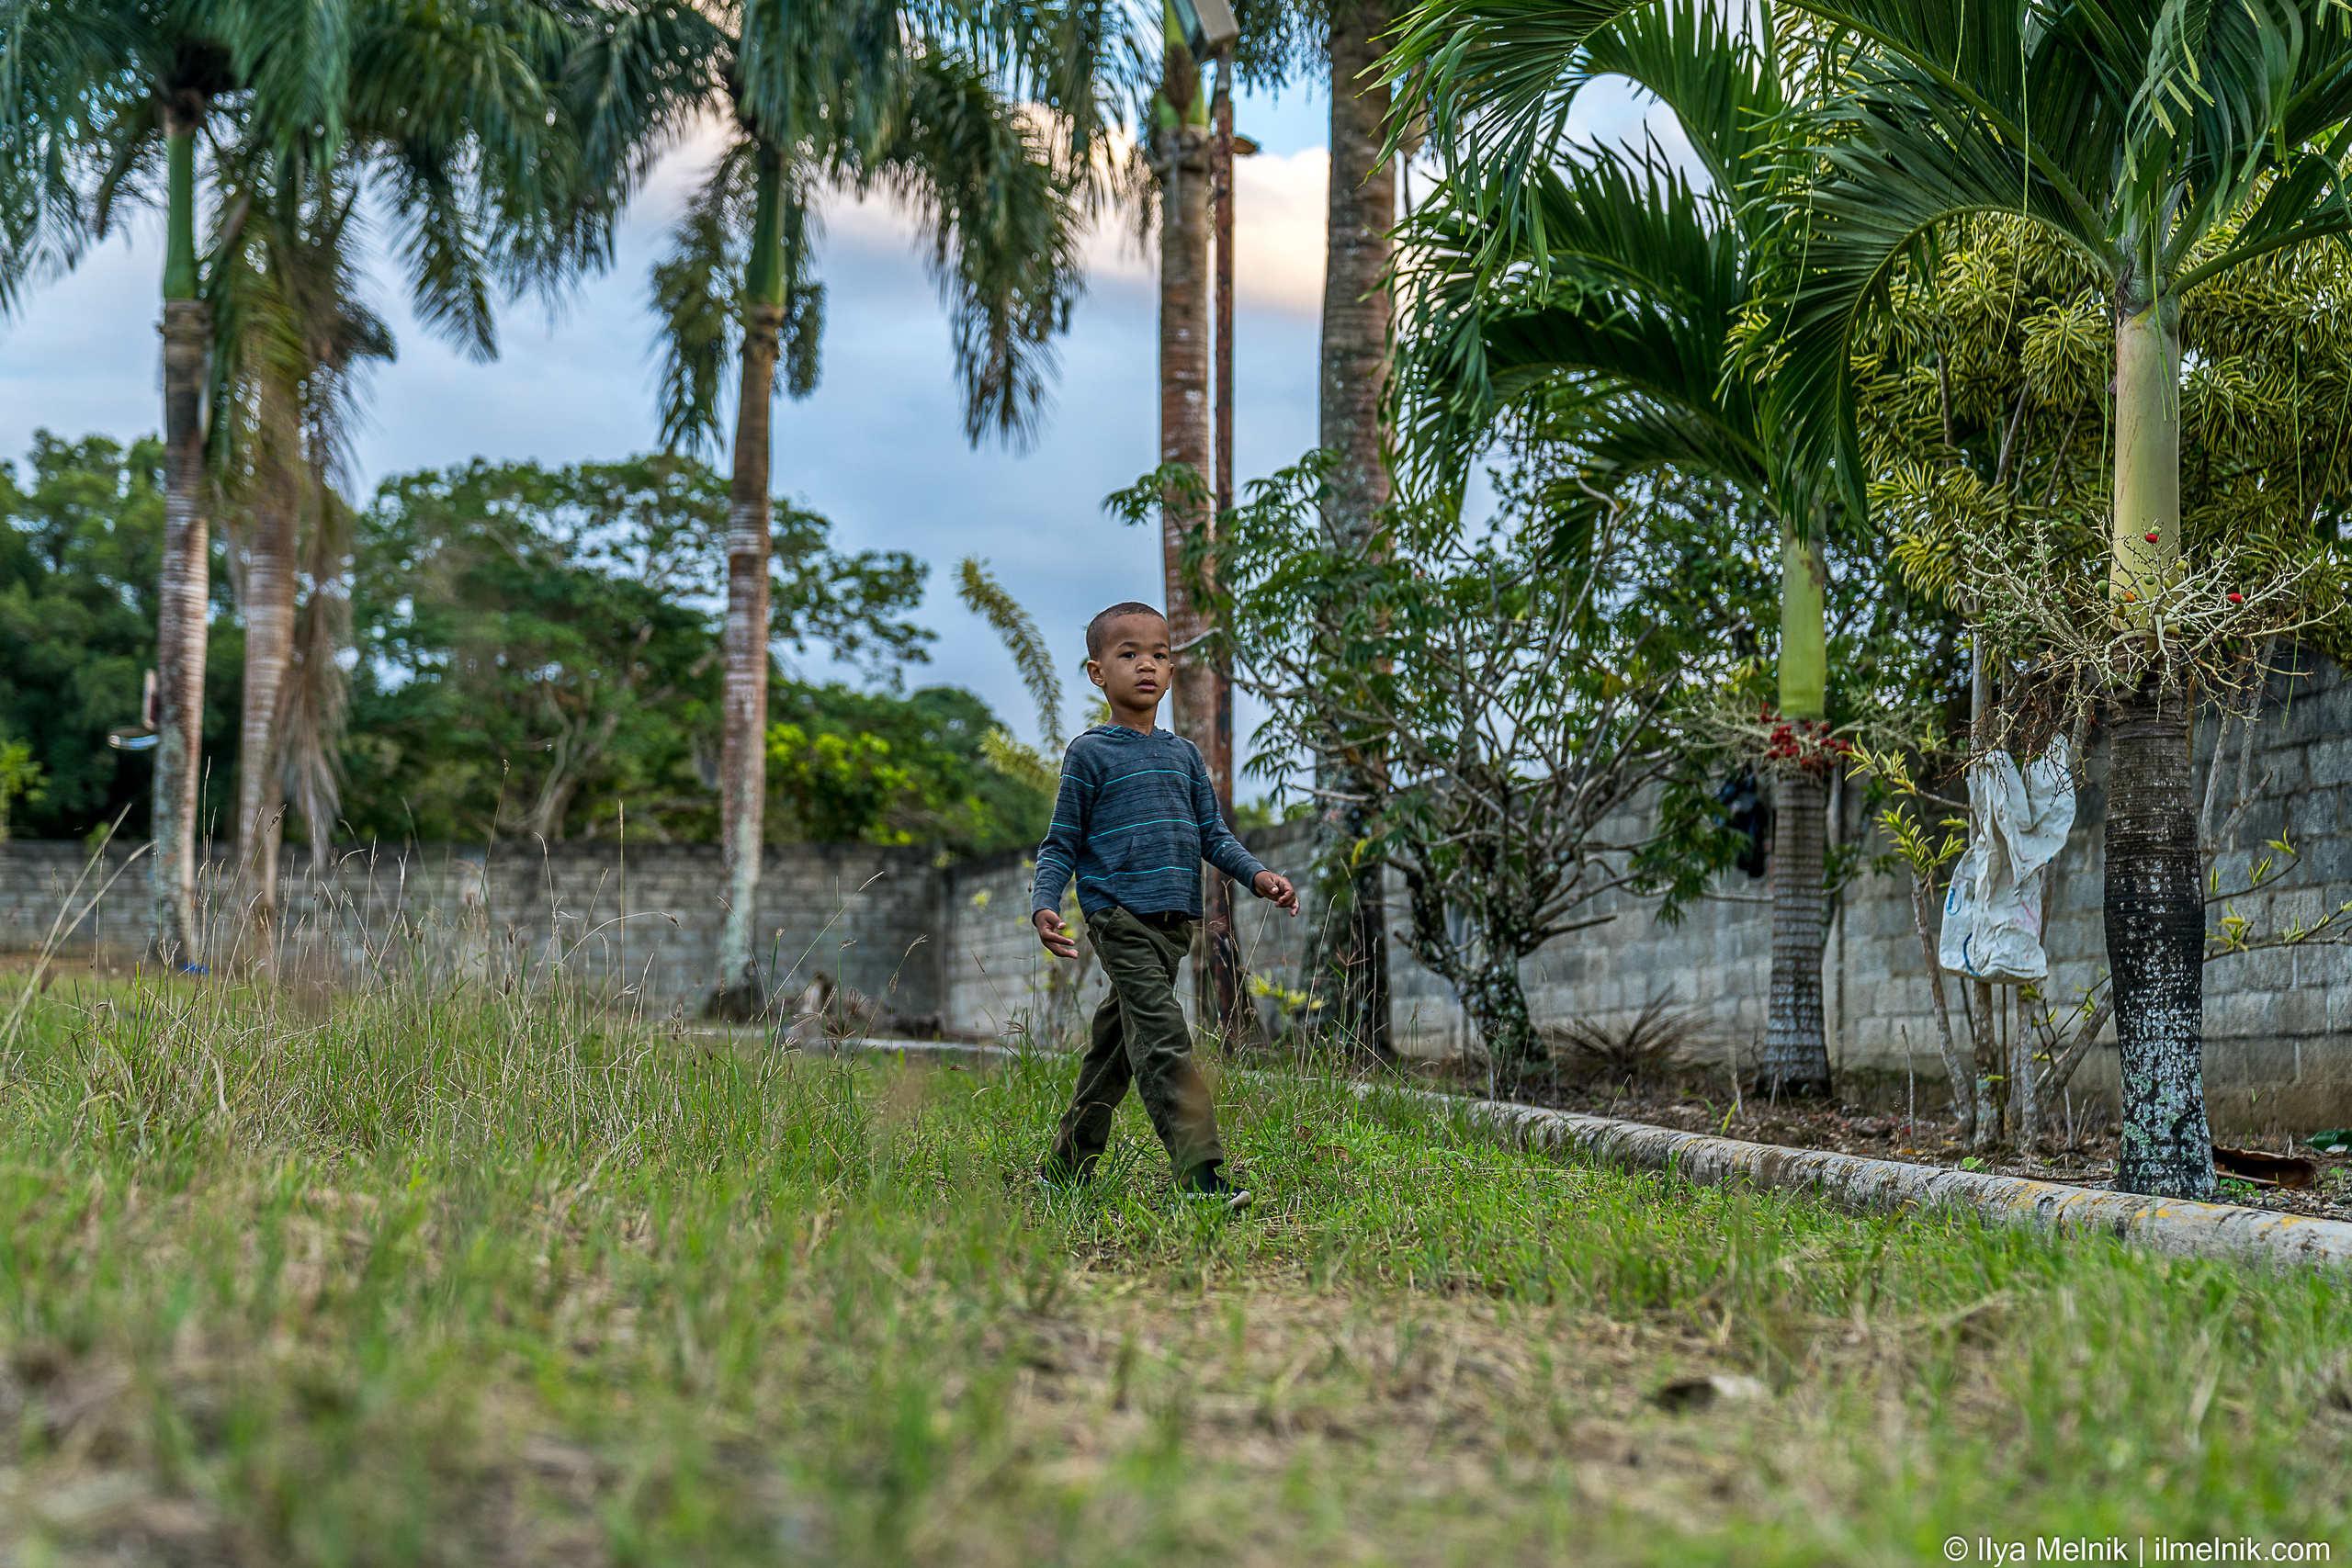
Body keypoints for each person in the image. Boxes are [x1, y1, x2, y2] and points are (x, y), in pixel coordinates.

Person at [1031, 601, 1298, 1207]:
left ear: (1172, 670)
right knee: (1164, 1037)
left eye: (1158, 654)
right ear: (1098, 672)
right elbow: (1060, 843)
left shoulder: (1183, 756)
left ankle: (1066, 1169)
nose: (1146, 665)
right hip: (1117, 915)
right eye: (1129, 654)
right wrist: (1045, 903)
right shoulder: (1089, 754)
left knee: (1115, 1049)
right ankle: (1199, 1176)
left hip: (1173, 922)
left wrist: (1258, 876)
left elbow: (1213, 834)